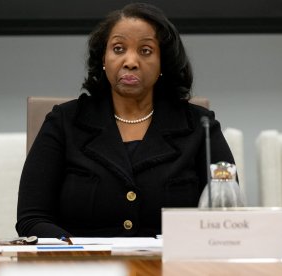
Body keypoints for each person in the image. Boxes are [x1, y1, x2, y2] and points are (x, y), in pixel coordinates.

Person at [16, 2, 235, 238]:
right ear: (103, 58)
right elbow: (32, 218)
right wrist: (75, 252)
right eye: (119, 49)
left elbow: (226, 215)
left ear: (163, 63)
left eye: (146, 51)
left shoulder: (199, 126)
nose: (130, 61)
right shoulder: (64, 122)